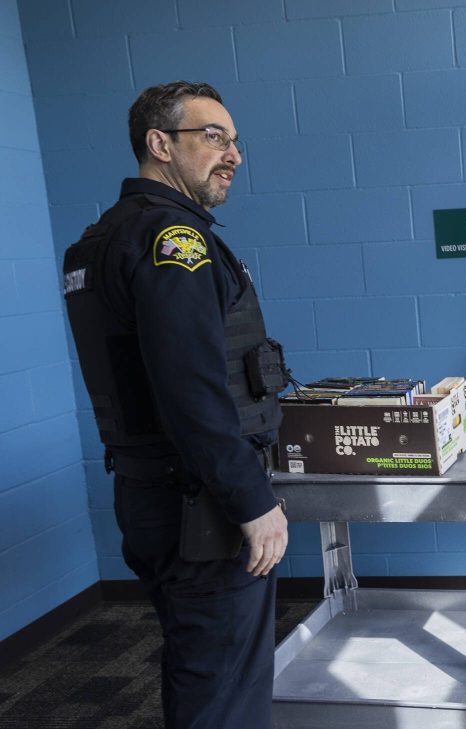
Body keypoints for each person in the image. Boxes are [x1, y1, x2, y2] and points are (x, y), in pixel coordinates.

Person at [62, 81, 289, 727]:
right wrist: (253, 501)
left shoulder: (103, 238)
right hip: (203, 505)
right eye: (213, 136)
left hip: (148, 490)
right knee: (223, 682)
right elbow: (189, 386)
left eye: (235, 140)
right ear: (159, 145)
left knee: (198, 659)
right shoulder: (174, 242)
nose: (234, 154)